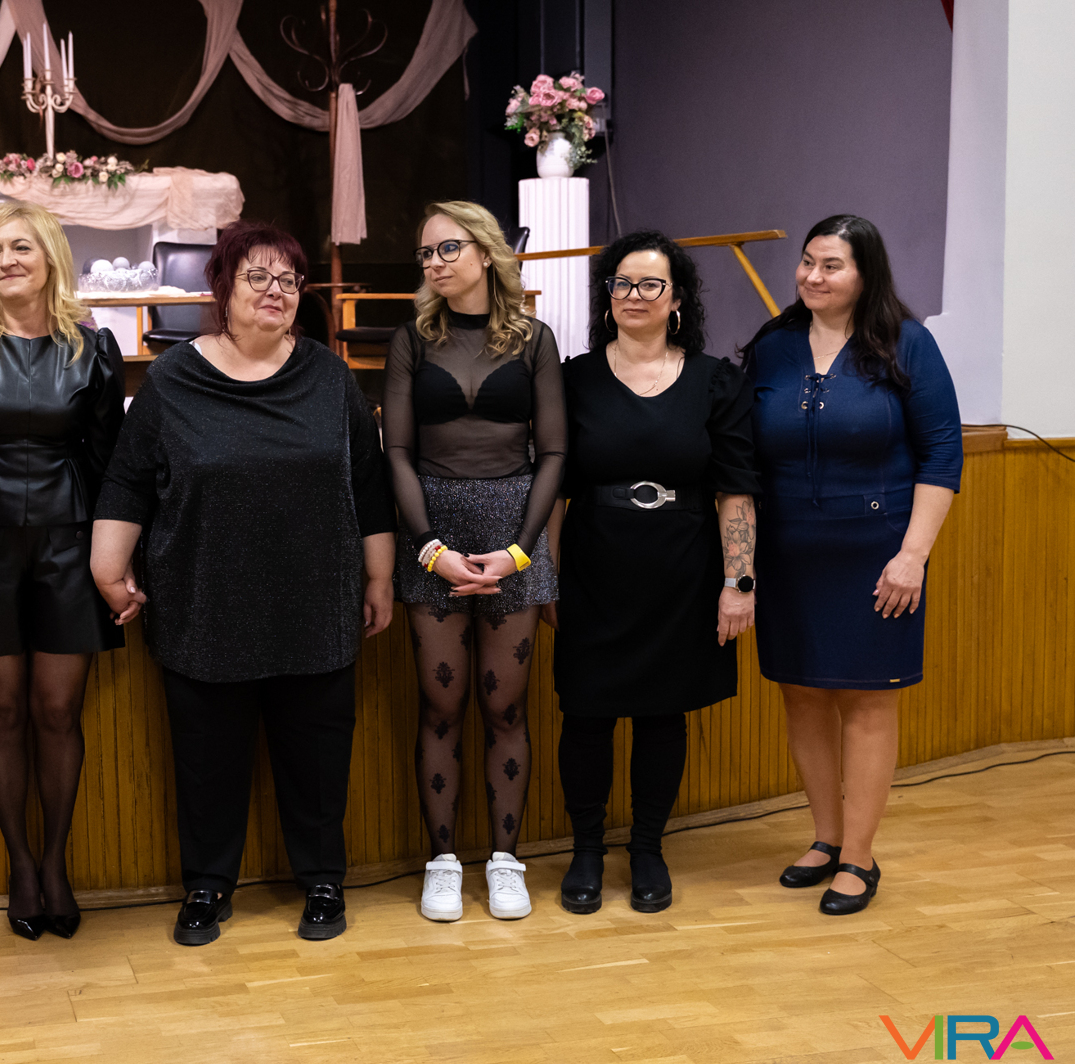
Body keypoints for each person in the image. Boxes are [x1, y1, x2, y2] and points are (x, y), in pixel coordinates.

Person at [91, 221, 396, 946]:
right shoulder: (173, 379)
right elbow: (128, 479)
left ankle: (322, 879)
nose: (275, 291)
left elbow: (368, 481)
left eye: (289, 280)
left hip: (315, 598)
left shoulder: (329, 377)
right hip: (205, 601)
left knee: (317, 757)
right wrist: (107, 567)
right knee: (207, 760)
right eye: (258, 276)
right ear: (223, 288)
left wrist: (381, 573)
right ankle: (206, 885)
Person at [741, 214, 962, 915]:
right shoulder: (773, 346)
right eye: (807, 261)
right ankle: (827, 837)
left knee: (868, 701)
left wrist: (912, 557)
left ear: (866, 273)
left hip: (878, 556)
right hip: (787, 554)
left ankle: (860, 858)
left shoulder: (907, 343)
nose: (812, 275)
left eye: (831, 265)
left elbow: (942, 454)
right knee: (802, 694)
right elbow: (741, 450)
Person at [0, 202, 124, 941]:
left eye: (21, 248)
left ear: (50, 259)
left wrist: (118, 562)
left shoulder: (93, 347)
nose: (5, 260)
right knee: (1, 715)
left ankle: (57, 863)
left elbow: (113, 465)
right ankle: (20, 865)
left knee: (58, 713)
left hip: (71, 545)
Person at [552, 230, 760, 916]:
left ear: (677, 300)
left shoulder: (715, 380)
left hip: (682, 572)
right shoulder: (574, 379)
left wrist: (738, 584)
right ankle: (586, 849)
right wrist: (548, 575)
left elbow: (735, 489)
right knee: (586, 713)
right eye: (621, 283)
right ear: (607, 297)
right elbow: (552, 489)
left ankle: (647, 847)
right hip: (593, 567)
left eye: (650, 284)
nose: (634, 295)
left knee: (662, 715)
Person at [383, 201, 565, 922]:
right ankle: (442, 864)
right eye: (426, 253)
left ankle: (506, 863)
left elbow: (554, 452)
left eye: (448, 248)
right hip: (431, 529)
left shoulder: (535, 338)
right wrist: (431, 549)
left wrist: (521, 550)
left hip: (515, 527)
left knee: (505, 706)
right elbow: (397, 452)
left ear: (486, 253)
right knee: (441, 705)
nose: (434, 262)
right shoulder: (412, 338)